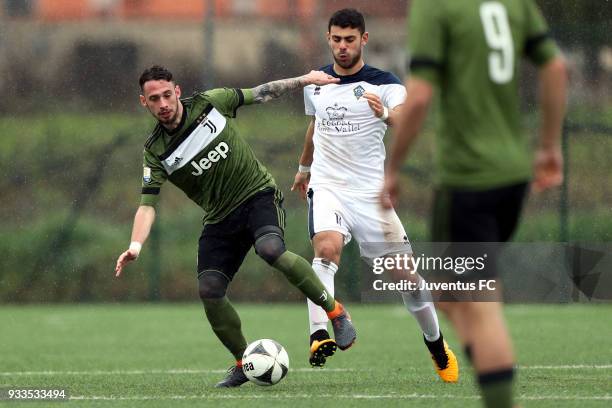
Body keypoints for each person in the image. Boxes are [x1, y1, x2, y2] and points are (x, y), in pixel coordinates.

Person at [114, 65, 357, 388]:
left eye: (167, 95)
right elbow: (147, 206)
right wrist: (135, 246)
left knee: (271, 249)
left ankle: (335, 312)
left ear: (177, 90)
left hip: (257, 195)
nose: (163, 104)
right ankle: (244, 362)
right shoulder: (155, 151)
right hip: (219, 218)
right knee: (209, 290)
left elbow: (262, 91)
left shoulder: (210, 103)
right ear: (144, 102)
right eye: (154, 99)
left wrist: (304, 80)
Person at [382, 0, 567, 406]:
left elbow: (419, 97)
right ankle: (488, 361)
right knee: (449, 298)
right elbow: (554, 67)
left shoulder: (436, 7)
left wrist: (392, 168)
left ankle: (497, 385)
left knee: (482, 309)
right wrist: (549, 146)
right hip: (513, 176)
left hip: (468, 181)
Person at [291, 8, 458, 382]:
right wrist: (303, 170)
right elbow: (314, 126)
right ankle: (320, 332)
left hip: (369, 194)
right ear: (328, 38)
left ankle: (436, 346)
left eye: (350, 39)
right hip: (328, 185)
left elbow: (406, 119)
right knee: (326, 249)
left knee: (406, 277)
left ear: (363, 40)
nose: (342, 46)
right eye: (336, 39)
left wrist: (384, 114)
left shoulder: (384, 83)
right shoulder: (316, 82)